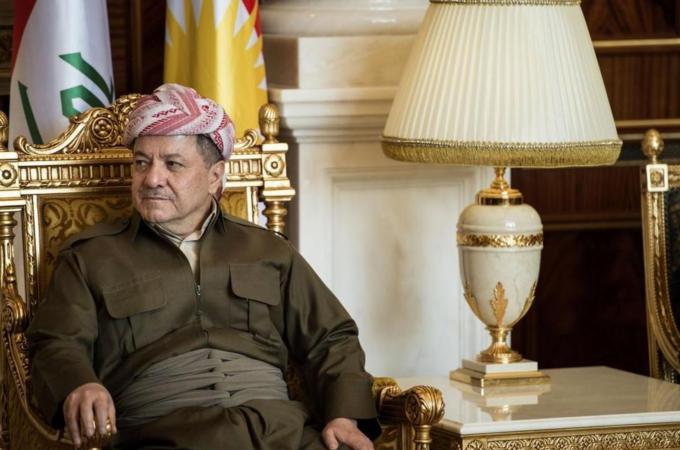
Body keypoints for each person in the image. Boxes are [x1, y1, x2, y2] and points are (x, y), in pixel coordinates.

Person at [27, 84, 379, 450]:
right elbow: (55, 342)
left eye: (172, 164)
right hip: (163, 432)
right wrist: (79, 384)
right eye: (142, 163)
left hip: (279, 429)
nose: (152, 178)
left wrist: (343, 416)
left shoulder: (267, 249)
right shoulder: (90, 256)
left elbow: (331, 337)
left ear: (214, 176)